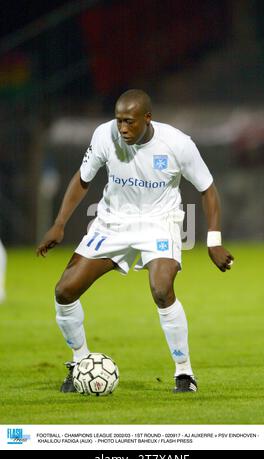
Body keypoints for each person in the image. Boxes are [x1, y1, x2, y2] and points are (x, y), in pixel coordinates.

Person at [36, 89, 234, 393]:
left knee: (161, 289)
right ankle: (80, 362)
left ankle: (184, 372)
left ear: (147, 118)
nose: (122, 128)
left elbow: (208, 189)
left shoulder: (177, 144)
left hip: (159, 223)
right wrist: (59, 224)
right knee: (64, 291)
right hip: (113, 223)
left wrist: (214, 240)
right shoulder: (105, 136)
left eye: (129, 122)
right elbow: (82, 179)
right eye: (118, 121)